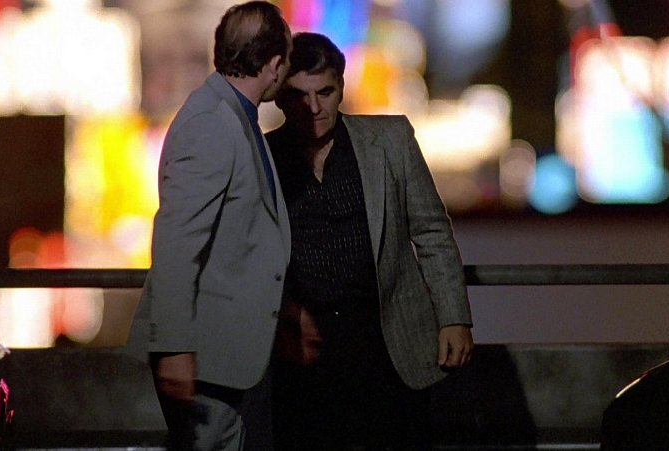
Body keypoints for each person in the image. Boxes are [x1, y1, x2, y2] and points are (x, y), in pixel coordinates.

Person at [265, 32, 474, 450]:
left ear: (342, 87)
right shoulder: (263, 157)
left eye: (325, 92)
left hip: (385, 340)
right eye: (299, 95)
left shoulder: (390, 140)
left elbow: (431, 230)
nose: (314, 106)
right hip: (304, 347)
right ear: (281, 99)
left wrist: (454, 317)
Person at [132, 2, 292, 450]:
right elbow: (177, 243)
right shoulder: (212, 122)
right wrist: (175, 348)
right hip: (209, 362)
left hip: (224, 358)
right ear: (274, 64)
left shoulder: (230, 115)